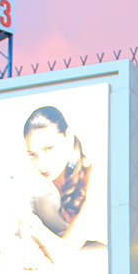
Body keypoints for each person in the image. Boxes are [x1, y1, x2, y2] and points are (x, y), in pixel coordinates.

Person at [21, 106, 102, 248]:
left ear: (68, 137)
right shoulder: (37, 191)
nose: (41, 165)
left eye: (49, 149)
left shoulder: (95, 175)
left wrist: (32, 226)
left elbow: (66, 251)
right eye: (32, 155)